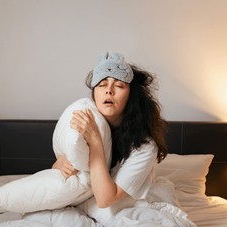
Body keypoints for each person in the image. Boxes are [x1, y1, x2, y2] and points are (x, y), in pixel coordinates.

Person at [53, 52, 168, 210]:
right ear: (94, 93)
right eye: (102, 85)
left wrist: (95, 142)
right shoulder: (87, 125)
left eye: (119, 85)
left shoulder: (145, 145)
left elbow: (105, 200)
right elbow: (55, 172)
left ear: (131, 97)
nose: (109, 90)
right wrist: (59, 164)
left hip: (128, 206)